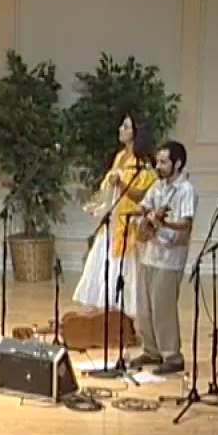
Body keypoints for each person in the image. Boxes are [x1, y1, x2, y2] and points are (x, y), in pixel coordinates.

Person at [73, 113, 157, 318]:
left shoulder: (142, 164)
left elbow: (141, 196)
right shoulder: (120, 157)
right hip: (112, 220)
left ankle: (121, 315)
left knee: (124, 269)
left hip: (128, 224)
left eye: (126, 126)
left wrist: (121, 184)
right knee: (101, 261)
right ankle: (100, 311)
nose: (120, 129)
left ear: (136, 133)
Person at [130, 141, 197, 375]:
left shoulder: (185, 190)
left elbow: (186, 223)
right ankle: (151, 351)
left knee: (163, 307)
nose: (158, 166)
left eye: (164, 162)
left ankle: (172, 355)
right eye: (158, 161)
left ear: (177, 163)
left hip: (169, 258)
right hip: (149, 253)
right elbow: (143, 207)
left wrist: (163, 222)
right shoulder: (157, 186)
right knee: (145, 306)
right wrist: (147, 215)